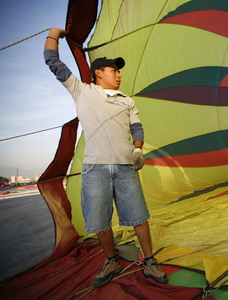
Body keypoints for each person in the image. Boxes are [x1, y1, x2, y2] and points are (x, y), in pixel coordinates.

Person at [44, 27, 167, 287]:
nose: (119, 75)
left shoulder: (127, 101)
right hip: (95, 169)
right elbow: (53, 62)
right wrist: (53, 35)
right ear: (99, 73)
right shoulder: (82, 91)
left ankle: (150, 261)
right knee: (99, 219)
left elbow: (137, 127)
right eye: (114, 70)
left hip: (125, 167)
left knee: (139, 216)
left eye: (119, 71)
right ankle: (111, 259)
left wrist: (137, 148)